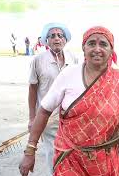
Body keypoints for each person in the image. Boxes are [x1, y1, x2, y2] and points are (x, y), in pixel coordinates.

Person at [19, 26, 119, 176]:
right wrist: (30, 150)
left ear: (111, 50)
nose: (97, 49)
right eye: (91, 43)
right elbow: (44, 111)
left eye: (103, 44)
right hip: (70, 158)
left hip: (105, 162)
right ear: (84, 48)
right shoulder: (68, 75)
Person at [27, 22, 78, 175]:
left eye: (60, 35)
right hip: (47, 118)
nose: (57, 39)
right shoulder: (38, 60)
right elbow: (32, 89)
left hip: (69, 117)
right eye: (52, 36)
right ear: (46, 40)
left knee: (71, 153)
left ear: (65, 39)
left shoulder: (73, 58)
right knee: (53, 154)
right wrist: (32, 118)